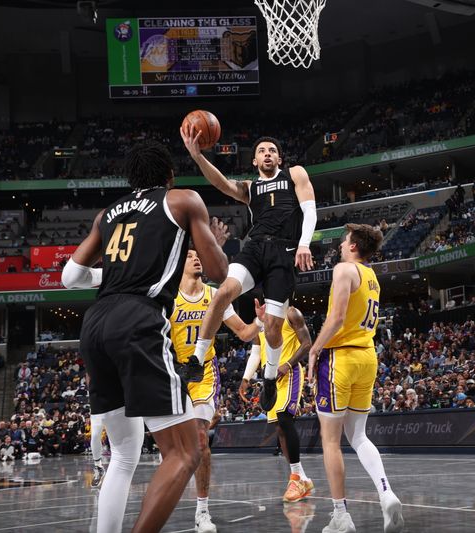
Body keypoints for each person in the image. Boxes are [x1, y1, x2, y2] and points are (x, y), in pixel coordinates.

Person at [63, 140, 229, 533]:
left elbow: (70, 277)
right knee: (186, 452)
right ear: (169, 176)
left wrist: (116, 275)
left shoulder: (107, 214)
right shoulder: (182, 200)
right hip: (138, 320)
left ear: (131, 178)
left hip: (96, 324)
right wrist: (217, 246)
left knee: (123, 453)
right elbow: (219, 272)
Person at [181, 127, 317, 414]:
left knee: (273, 327)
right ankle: (196, 359)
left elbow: (310, 210)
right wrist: (198, 156)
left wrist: (304, 244)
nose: (267, 154)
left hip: (285, 250)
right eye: (261, 151)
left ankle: (268, 378)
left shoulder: (294, 175)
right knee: (222, 294)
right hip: (255, 247)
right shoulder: (249, 187)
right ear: (255, 161)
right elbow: (220, 183)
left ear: (279, 158)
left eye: (272, 151)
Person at [307, 224, 404, 533]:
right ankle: (386, 493)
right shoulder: (372, 276)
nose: (339, 246)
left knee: (331, 441)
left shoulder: (344, 269)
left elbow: (335, 319)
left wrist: (314, 350)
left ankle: (341, 515)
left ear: (353, 247)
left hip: (341, 359)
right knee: (359, 436)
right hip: (367, 357)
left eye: (343, 241)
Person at [172, 248, 265, 533]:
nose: (196, 257)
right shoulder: (169, 297)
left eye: (198, 254)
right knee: (174, 449)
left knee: (201, 439)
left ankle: (202, 511)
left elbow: (245, 333)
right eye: (189, 255)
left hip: (204, 373)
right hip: (173, 373)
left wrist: (260, 321)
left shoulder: (215, 295)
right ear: (179, 263)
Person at [240, 305, 314, 503]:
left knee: (284, 419)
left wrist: (287, 364)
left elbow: (307, 343)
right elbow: (256, 352)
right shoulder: (261, 318)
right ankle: (301, 478)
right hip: (270, 378)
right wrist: (246, 378)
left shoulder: (291, 313)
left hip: (290, 373)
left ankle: (296, 478)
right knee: (280, 429)